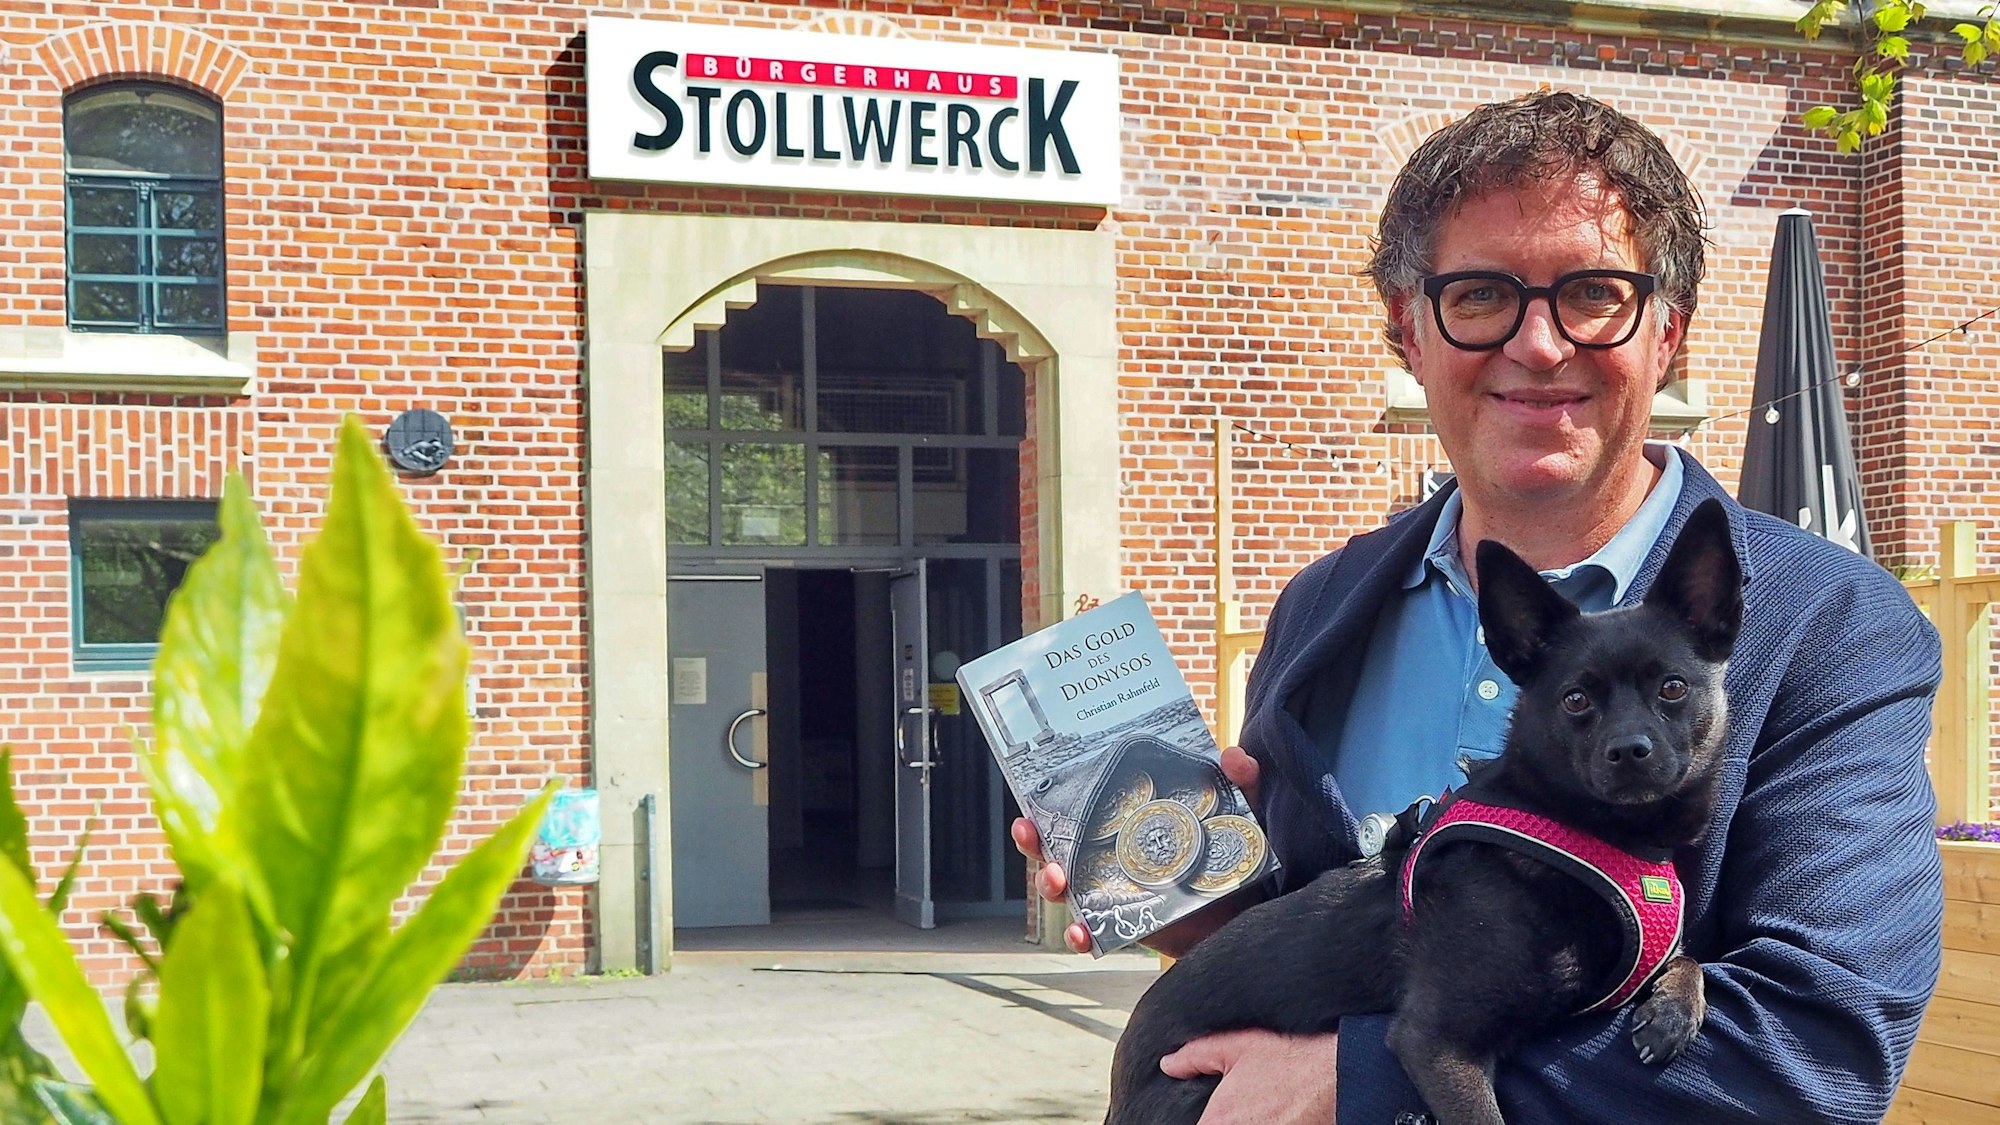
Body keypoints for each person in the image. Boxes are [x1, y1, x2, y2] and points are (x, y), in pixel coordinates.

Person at [1012, 90, 1944, 1124]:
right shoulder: (1321, 606)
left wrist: (1363, 1083)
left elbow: (1818, 1053)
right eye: (1479, 295)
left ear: (1666, 334)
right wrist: (1205, 911)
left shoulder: (1830, 627)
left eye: (1593, 294)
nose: (1538, 345)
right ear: (1407, 335)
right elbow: (1375, 939)